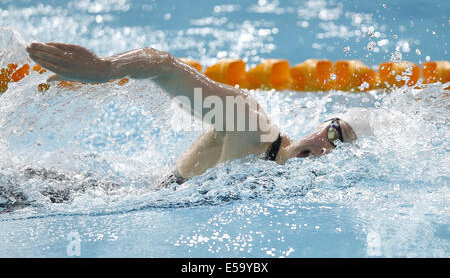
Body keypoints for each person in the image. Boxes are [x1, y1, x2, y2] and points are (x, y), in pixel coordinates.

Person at [26, 42, 372, 187]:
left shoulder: (283, 185)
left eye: (342, 149)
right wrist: (106, 68)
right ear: (322, 123)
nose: (328, 149)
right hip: (58, 192)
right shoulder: (251, 125)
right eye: (335, 133)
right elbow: (163, 64)